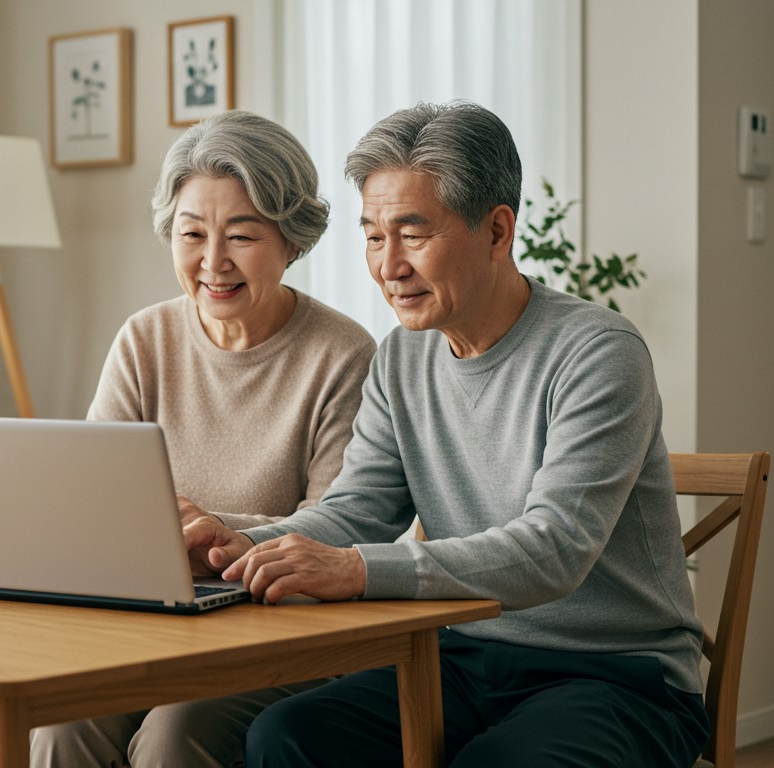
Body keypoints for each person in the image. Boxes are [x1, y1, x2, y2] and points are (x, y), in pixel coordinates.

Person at [184, 102, 711, 767]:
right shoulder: (401, 360)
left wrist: (356, 570)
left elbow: (556, 548)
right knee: (286, 735)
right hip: (463, 658)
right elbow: (357, 511)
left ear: (497, 231)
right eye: (374, 237)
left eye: (412, 233)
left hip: (617, 676)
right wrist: (242, 548)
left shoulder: (598, 352)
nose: (389, 266)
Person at [30, 110, 377, 767]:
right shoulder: (145, 339)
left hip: (283, 630)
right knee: (60, 723)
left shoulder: (343, 355)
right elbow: (95, 504)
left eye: (241, 236)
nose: (213, 262)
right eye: (192, 234)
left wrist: (212, 531)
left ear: (292, 240)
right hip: (153, 624)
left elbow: (341, 529)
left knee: (175, 733)